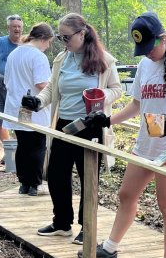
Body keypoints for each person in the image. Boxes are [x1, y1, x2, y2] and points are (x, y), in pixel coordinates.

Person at [82, 12, 166, 258]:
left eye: (151, 47)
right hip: (146, 145)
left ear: (163, 38)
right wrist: (106, 119)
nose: (148, 54)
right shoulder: (144, 67)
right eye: (143, 49)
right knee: (126, 195)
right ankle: (110, 248)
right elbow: (136, 105)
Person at [22, 13, 122, 244]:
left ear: (82, 33)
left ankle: (87, 227)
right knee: (57, 174)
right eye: (60, 37)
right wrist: (37, 101)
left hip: (91, 126)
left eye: (66, 37)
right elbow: (52, 89)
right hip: (64, 124)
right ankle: (61, 222)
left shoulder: (104, 60)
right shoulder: (62, 59)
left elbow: (117, 89)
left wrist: (102, 95)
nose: (63, 42)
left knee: (89, 178)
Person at [2, 22, 54, 196]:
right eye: (49, 42)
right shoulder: (38, 56)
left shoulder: (14, 53)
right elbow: (41, 83)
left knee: (23, 145)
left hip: (16, 105)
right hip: (32, 107)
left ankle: (23, 183)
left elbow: (7, 80)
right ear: (43, 39)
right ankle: (35, 184)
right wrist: (56, 89)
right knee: (38, 146)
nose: (48, 47)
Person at [0, 15, 24, 151]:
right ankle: (9, 150)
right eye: (14, 26)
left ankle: (21, 149)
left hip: (19, 89)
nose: (17, 29)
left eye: (19, 27)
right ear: (8, 28)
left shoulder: (25, 45)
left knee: (19, 121)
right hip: (0, 86)